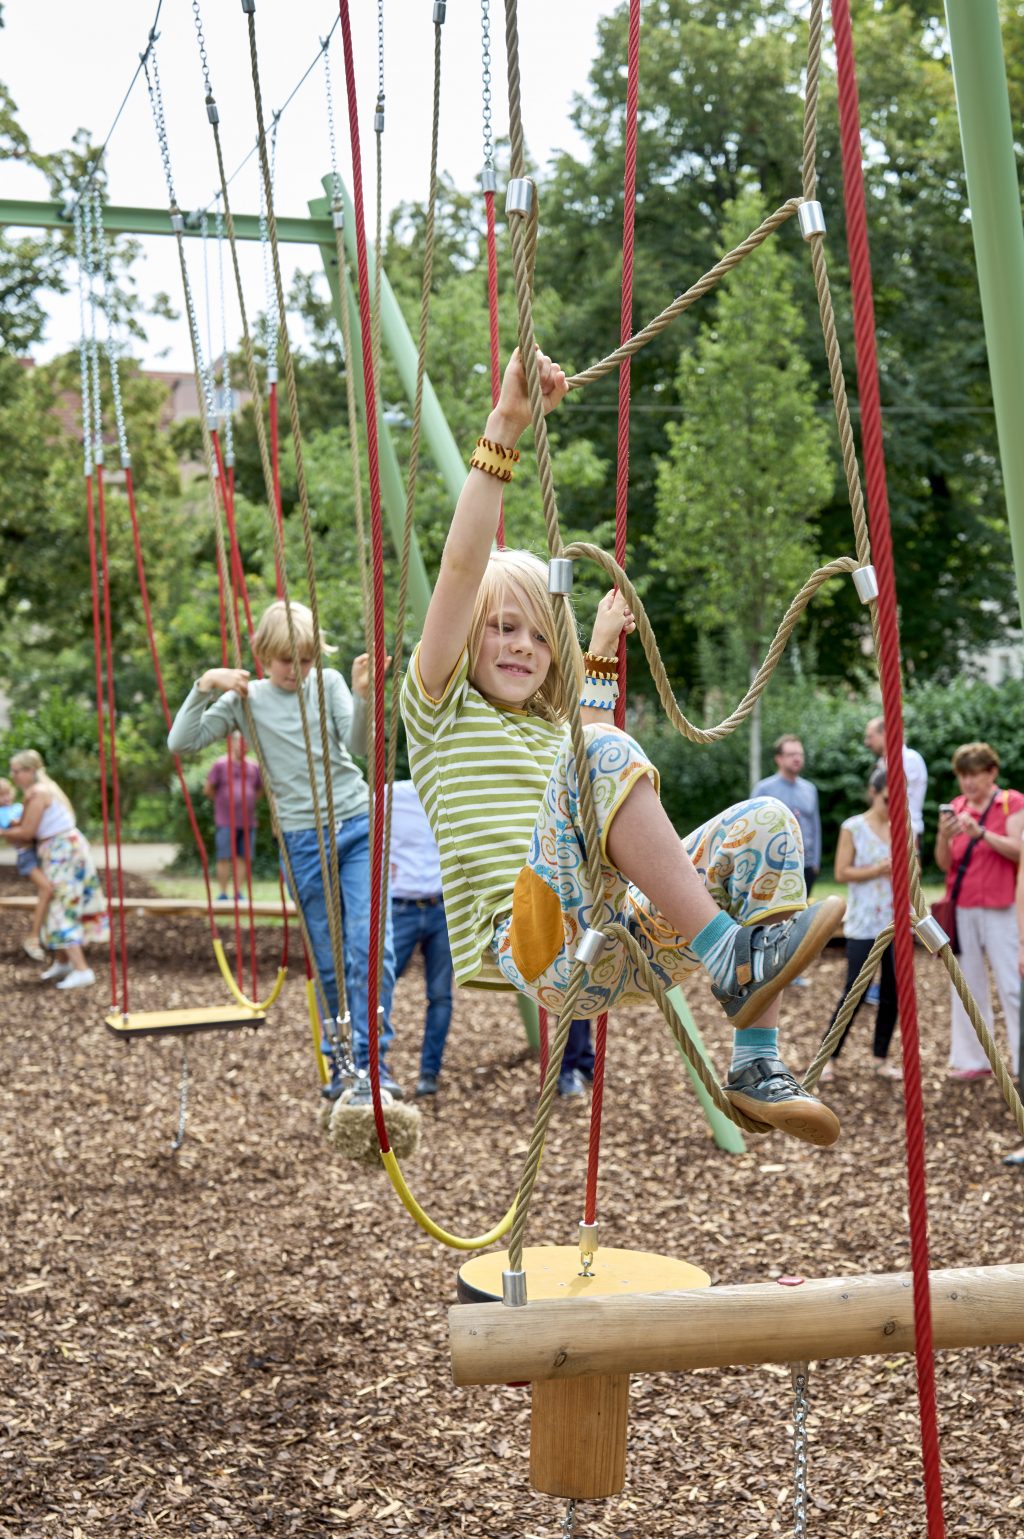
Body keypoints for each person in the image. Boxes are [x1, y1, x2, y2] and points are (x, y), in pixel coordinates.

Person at [399, 346, 847, 1147]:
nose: (522, 645)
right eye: (502, 628)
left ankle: (756, 1063)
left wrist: (599, 647)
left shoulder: (555, 728)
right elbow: (464, 566)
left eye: (540, 634)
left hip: (615, 943)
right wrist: (505, 424)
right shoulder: (439, 707)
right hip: (535, 944)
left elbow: (598, 760)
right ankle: (729, 954)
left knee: (768, 825)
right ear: (463, 637)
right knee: (599, 754)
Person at [168, 600, 402, 1099]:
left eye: (306, 660)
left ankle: (372, 1066)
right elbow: (181, 741)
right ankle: (342, 1068)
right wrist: (204, 685)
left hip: (358, 823)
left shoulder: (330, 683)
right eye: (285, 661)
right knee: (328, 957)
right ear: (261, 654)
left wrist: (364, 696)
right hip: (302, 839)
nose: (297, 672)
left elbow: (360, 745)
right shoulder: (243, 699)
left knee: (371, 947)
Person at [935, 742, 1024, 1082]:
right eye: (963, 776)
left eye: (974, 775)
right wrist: (944, 837)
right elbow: (945, 864)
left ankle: (1020, 1062)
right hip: (964, 907)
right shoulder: (956, 807)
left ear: (992, 773)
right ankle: (973, 1058)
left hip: (1003, 906)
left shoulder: (1011, 803)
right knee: (966, 986)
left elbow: (1019, 851)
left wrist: (982, 833)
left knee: (1012, 985)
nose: (968, 783)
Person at [819, 767, 901, 1082]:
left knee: (893, 993)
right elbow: (841, 873)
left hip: (895, 921)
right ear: (873, 792)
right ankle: (829, 1057)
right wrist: (877, 870)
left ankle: (880, 1059)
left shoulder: (901, 828)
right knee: (854, 990)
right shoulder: (853, 827)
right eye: (886, 799)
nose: (891, 806)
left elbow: (913, 870)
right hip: (865, 921)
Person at [1, 751, 108, 988]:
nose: (13, 776)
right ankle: (63, 962)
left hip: (63, 852)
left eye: (17, 771)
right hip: (58, 851)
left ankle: (82, 969)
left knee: (62, 903)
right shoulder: (38, 791)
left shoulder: (40, 793)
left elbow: (27, 832)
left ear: (30, 771)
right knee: (56, 901)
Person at [387, 779, 454, 1100]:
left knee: (440, 994)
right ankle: (375, 1066)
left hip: (441, 907)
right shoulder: (390, 796)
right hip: (401, 907)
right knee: (381, 986)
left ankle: (430, 1072)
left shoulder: (450, 792)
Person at [753, 735, 822, 989]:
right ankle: (765, 967)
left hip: (805, 864)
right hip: (775, 865)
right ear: (778, 759)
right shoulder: (764, 789)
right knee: (772, 916)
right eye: (792, 754)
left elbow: (815, 826)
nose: (797, 758)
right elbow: (753, 827)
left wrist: (815, 861)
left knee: (797, 918)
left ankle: (791, 970)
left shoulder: (809, 789)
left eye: (800, 754)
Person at [204, 731, 262, 901]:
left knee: (243, 858)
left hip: (247, 821)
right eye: (240, 742)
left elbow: (259, 789)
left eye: (246, 743)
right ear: (232, 744)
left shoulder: (253, 766)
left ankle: (238, 892)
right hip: (225, 820)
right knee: (224, 857)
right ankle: (222, 893)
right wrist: (225, 802)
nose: (243, 746)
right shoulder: (220, 764)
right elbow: (209, 789)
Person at [0, 775, 53, 961]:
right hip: (26, 857)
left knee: (49, 891)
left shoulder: (15, 808)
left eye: (7, 794)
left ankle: (46, 932)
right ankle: (33, 936)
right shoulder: (2, 813)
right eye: (0, 796)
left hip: (38, 852)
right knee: (46, 889)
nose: (5, 798)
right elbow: (20, 827)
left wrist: (25, 803)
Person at [864, 715, 927, 842]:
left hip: (906, 835)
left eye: (871, 737)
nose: (867, 743)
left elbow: (894, 799)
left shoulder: (908, 759)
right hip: (887, 832)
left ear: (885, 734)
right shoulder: (883, 763)